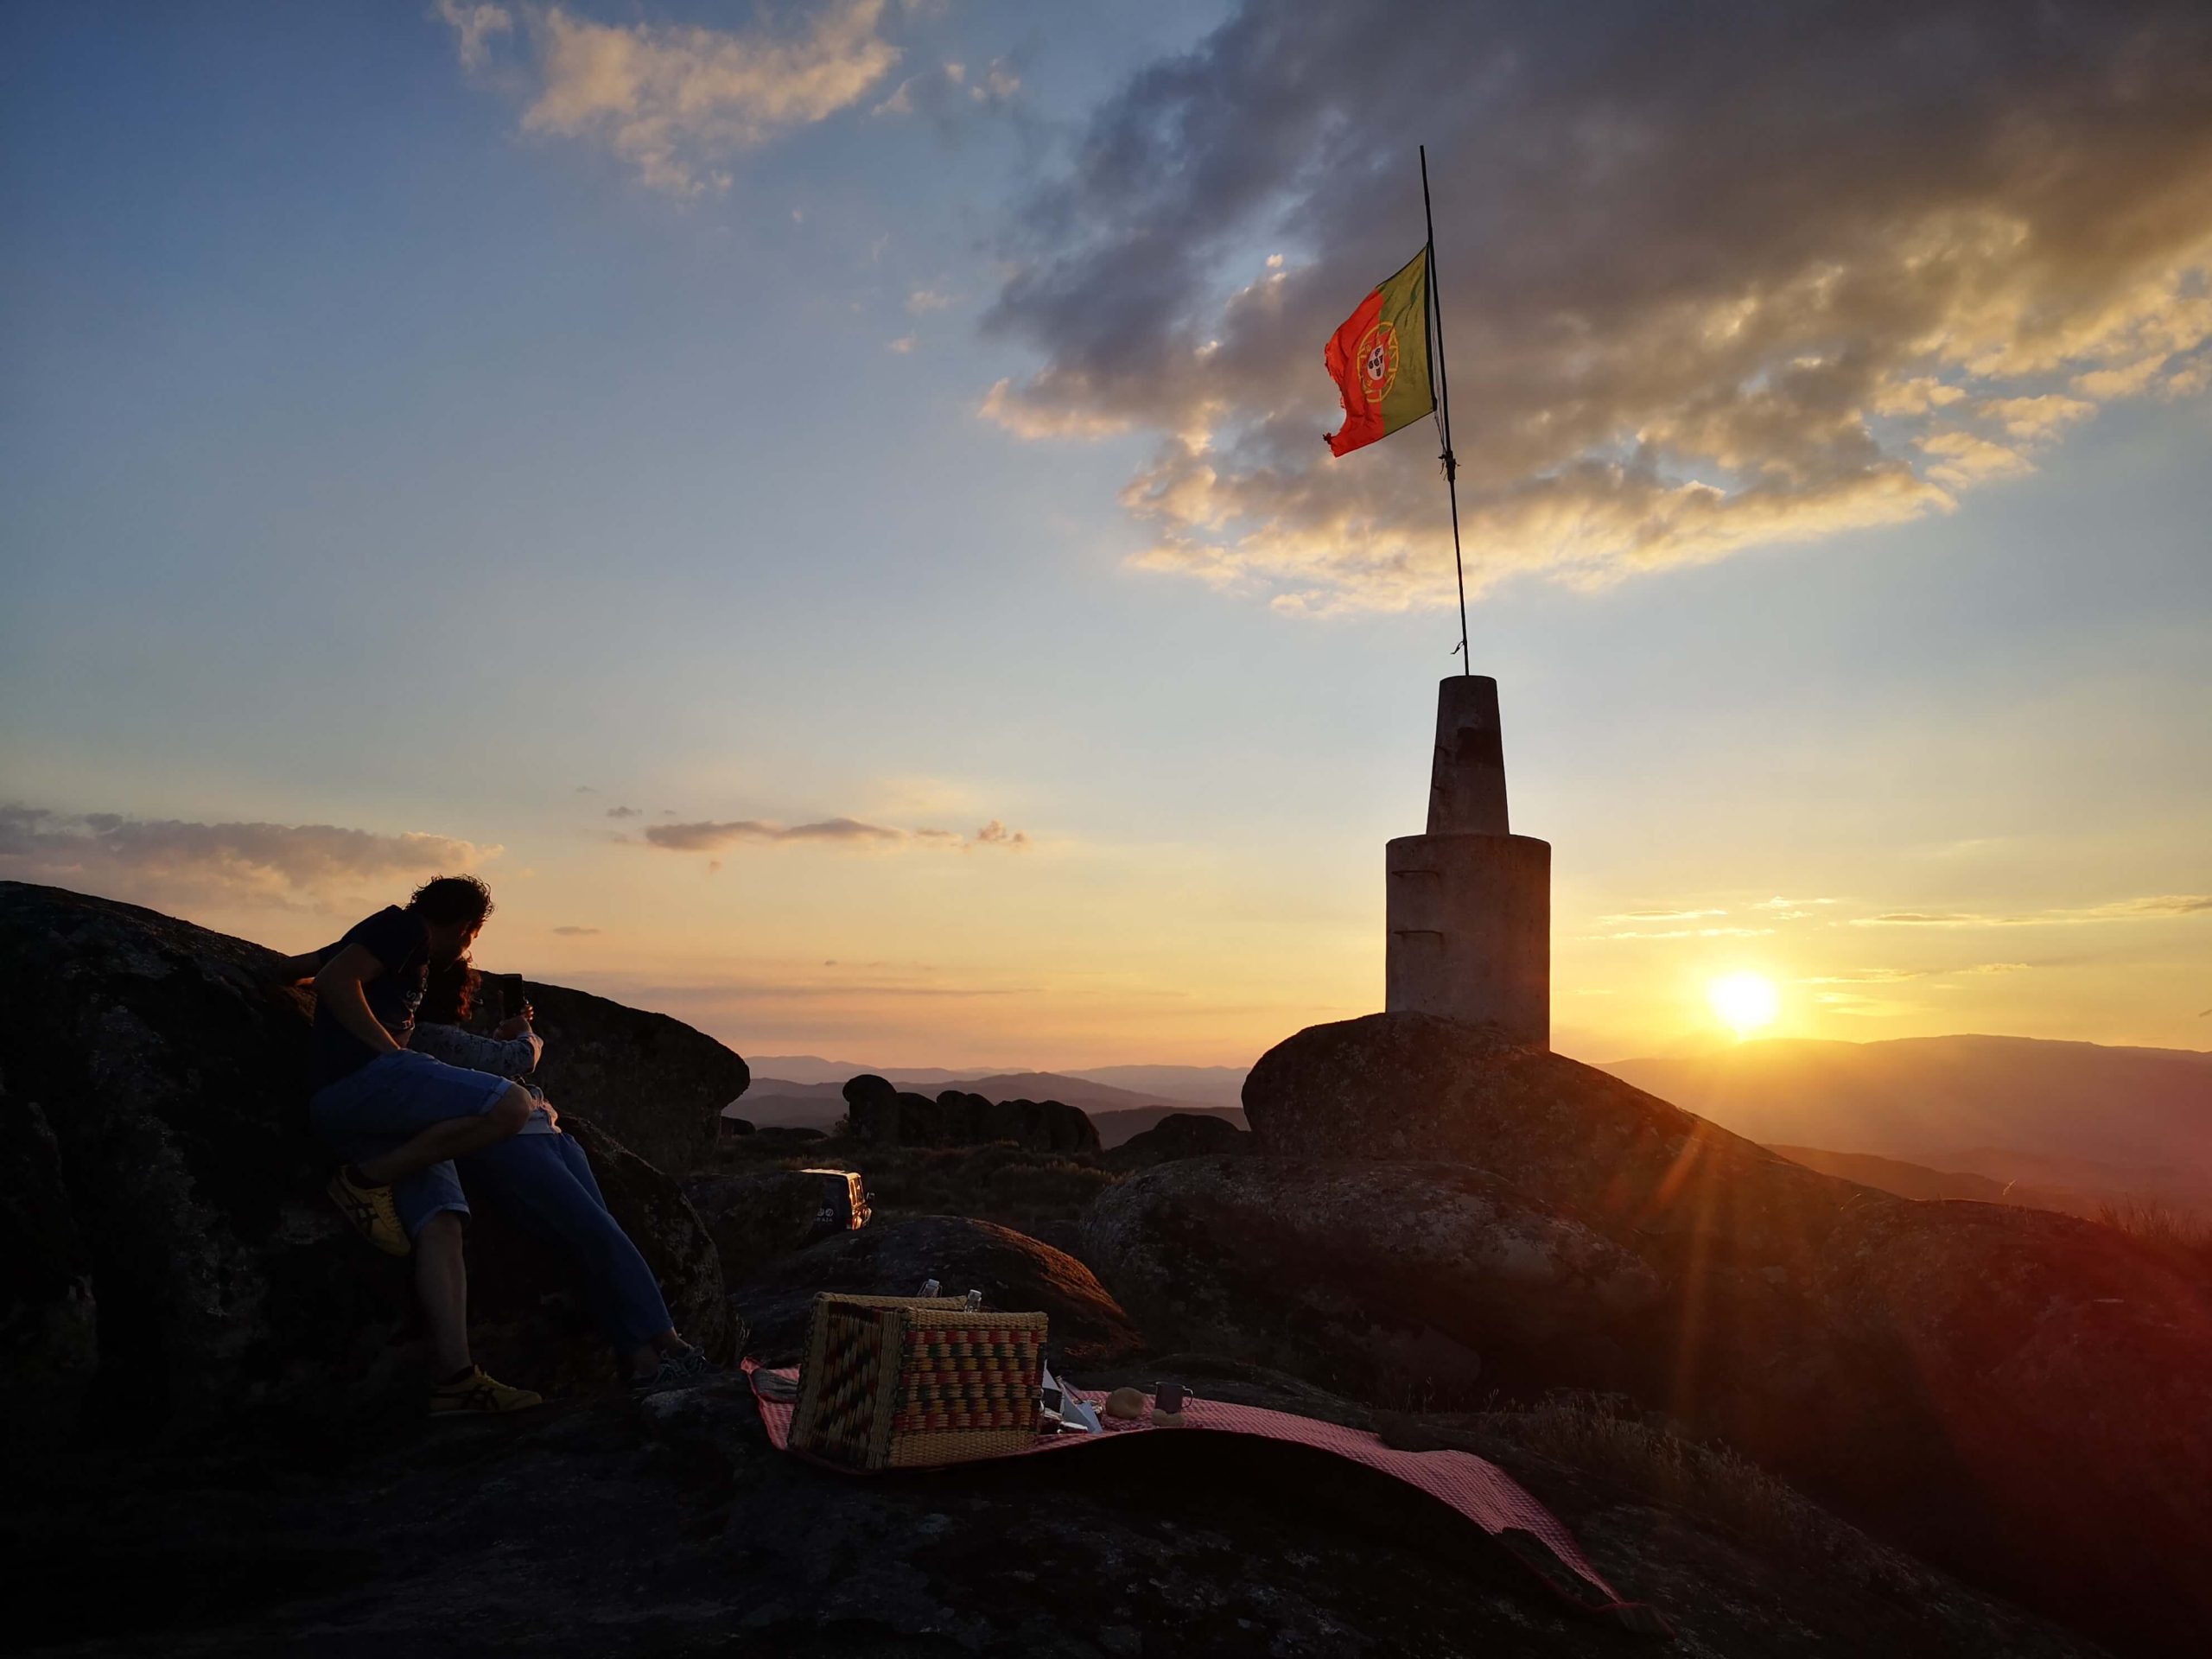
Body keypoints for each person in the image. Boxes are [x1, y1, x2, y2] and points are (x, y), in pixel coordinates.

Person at [291, 874, 543, 1414]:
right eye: (472, 936)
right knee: (512, 1105)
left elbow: (304, 966)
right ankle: (365, 1180)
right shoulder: (402, 928)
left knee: (442, 1222)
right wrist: (391, 1055)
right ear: (467, 927)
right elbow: (335, 979)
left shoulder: (390, 942)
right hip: (363, 1084)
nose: (468, 949)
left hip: (380, 1110)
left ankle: (456, 1379)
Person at [410, 960, 717, 1392]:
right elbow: (519, 1058)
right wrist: (525, 1033)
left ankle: (644, 1363)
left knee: (589, 1243)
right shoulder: (427, 1036)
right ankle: (671, 1343)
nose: (474, 1003)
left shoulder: (449, 1041)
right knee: (598, 1236)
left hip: (546, 1134)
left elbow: (489, 1067)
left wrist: (505, 1039)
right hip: (516, 1144)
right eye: (471, 995)